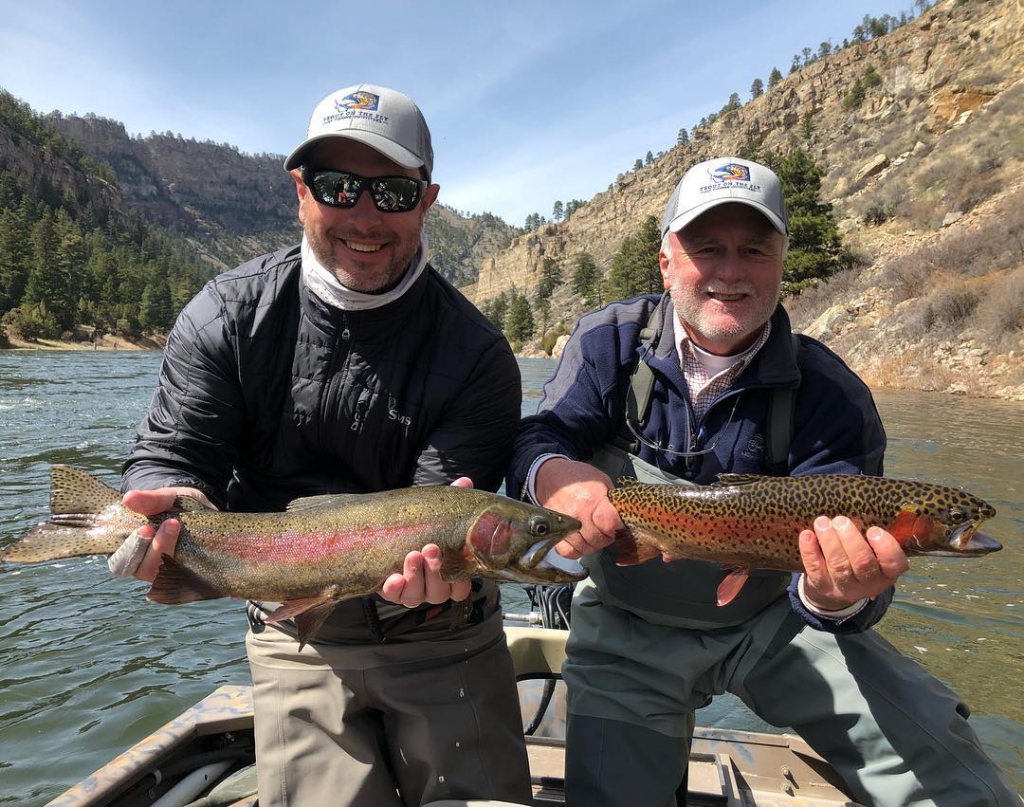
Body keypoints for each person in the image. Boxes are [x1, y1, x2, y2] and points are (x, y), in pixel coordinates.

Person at [507, 157, 1019, 806]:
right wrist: (560, 478)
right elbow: (538, 439)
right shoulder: (609, 341)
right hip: (627, 622)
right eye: (706, 248)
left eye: (754, 249)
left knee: (957, 782)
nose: (729, 270)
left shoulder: (830, 391)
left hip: (778, 620)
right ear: (666, 261)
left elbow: (842, 603)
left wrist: (839, 593)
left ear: (780, 259)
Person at [111, 83, 533, 807]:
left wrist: (452, 564)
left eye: (393, 192)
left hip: (444, 632)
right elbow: (176, 452)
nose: (364, 216)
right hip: (291, 631)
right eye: (338, 187)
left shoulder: (478, 354)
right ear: (300, 191)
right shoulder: (226, 315)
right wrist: (167, 499)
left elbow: (442, 513)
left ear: (427, 201)